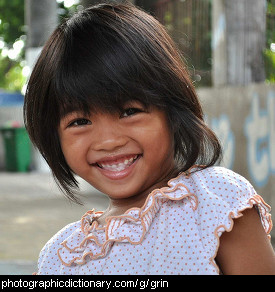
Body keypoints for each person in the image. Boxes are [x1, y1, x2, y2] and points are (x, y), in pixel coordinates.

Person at [24, 2, 275, 275]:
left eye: (129, 111)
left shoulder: (215, 202)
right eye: (80, 121)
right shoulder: (60, 256)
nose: (108, 141)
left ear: (173, 109)